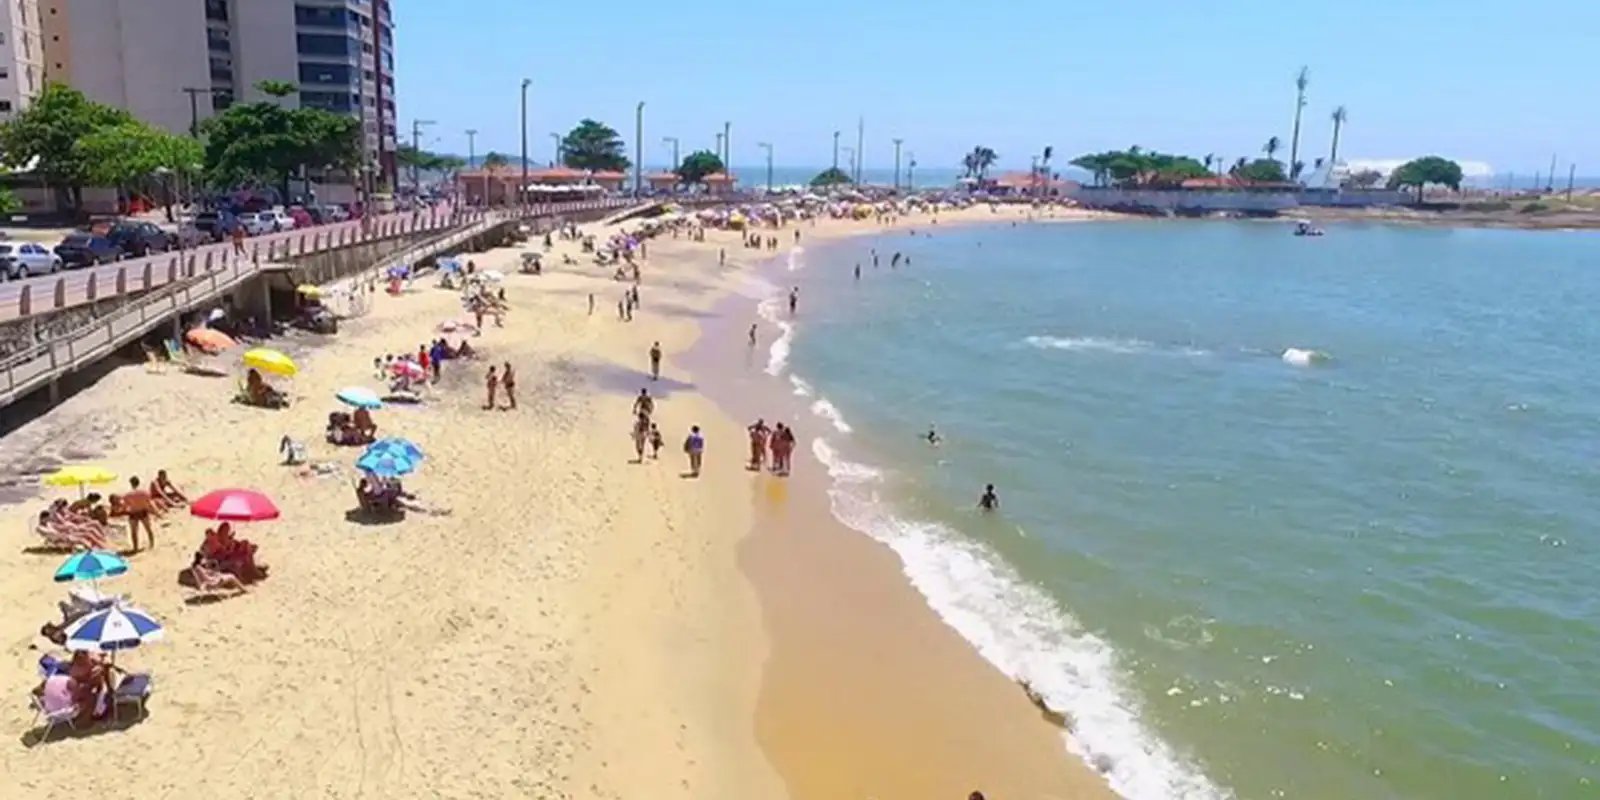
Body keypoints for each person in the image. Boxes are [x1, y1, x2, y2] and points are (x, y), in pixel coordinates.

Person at [124, 477, 156, 552]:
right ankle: (151, 544)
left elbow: (126, 506)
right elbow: (149, 503)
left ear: (131, 483)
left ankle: (135, 547)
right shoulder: (145, 492)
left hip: (133, 513)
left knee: (134, 532)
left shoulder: (128, 495)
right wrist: (154, 511)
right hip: (143, 512)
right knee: (148, 529)